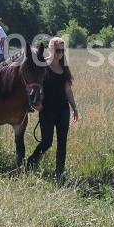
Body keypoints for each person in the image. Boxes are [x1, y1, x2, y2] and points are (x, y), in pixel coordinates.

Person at [27, 37, 79, 181]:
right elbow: (33, 88)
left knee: (62, 142)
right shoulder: (42, 65)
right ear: (50, 49)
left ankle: (60, 173)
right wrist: (35, 104)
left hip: (63, 109)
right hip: (47, 109)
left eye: (63, 50)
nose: (60, 53)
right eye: (58, 50)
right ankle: (31, 162)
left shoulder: (64, 67)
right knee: (47, 142)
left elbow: (68, 89)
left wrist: (75, 107)